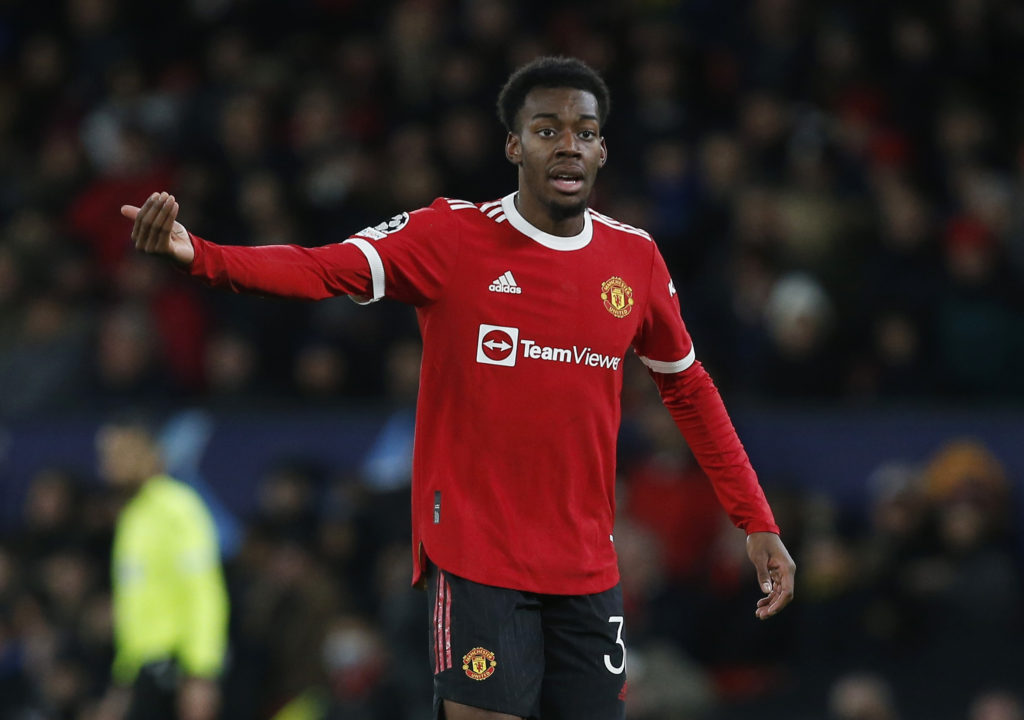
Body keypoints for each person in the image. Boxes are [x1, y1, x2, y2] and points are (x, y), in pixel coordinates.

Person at [122, 56, 795, 720]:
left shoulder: (634, 259)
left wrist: (756, 519)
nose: (568, 145)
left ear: (602, 150)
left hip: (586, 564)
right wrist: (201, 255)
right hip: (478, 556)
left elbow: (690, 390)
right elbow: (323, 269)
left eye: (585, 132)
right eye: (547, 130)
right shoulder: (451, 236)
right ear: (514, 145)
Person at [98, 416, 229, 720]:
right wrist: (124, 678)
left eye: (120, 453)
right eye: (106, 454)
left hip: (176, 669)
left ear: (149, 453)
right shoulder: (132, 515)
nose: (109, 464)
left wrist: (201, 673)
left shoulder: (177, 508)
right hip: (142, 671)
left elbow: (204, 591)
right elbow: (136, 606)